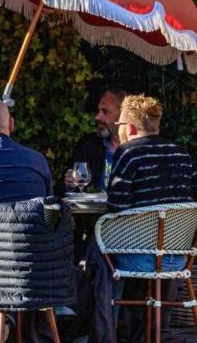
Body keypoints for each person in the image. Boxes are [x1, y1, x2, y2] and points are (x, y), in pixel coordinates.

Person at [107, 94, 197, 272]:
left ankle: (108, 300)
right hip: (179, 257)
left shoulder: (128, 153)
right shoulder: (182, 154)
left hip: (140, 256)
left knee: (96, 246)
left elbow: (116, 206)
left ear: (129, 128)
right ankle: (165, 297)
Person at [67, 89, 126, 193]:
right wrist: (70, 184)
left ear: (123, 116)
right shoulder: (88, 145)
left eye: (105, 112)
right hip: (92, 209)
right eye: (98, 111)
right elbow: (73, 189)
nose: (97, 117)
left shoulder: (140, 150)